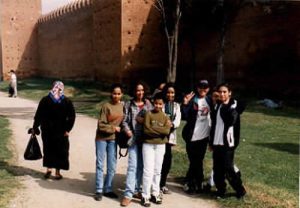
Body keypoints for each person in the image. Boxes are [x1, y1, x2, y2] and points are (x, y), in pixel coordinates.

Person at [30, 81, 75, 180]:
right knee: (48, 149)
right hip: (47, 130)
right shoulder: (45, 100)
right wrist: (35, 127)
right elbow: (38, 115)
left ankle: (57, 172)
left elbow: (71, 117)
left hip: (61, 131)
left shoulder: (66, 101)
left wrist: (68, 129)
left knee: (60, 151)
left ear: (62, 89)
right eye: (56, 87)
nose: (57, 90)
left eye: (59, 88)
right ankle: (48, 169)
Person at [209, 82, 246, 199]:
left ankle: (240, 190)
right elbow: (214, 125)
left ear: (230, 93)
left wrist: (229, 106)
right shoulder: (217, 106)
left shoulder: (233, 105)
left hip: (228, 143)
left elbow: (231, 120)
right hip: (217, 142)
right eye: (220, 92)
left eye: (225, 92)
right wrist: (211, 142)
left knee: (228, 168)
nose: (222, 94)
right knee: (217, 168)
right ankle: (221, 190)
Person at [120, 82, 153, 207]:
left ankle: (137, 190)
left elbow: (152, 120)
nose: (140, 93)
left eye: (142, 90)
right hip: (133, 139)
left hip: (146, 140)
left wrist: (144, 121)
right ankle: (128, 194)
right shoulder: (128, 104)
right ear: (134, 91)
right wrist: (128, 131)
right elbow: (124, 121)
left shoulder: (149, 104)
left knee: (141, 166)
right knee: (132, 166)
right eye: (138, 90)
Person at [181, 79, 213, 194]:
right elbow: (184, 116)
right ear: (197, 88)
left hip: (204, 136)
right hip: (191, 136)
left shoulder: (210, 100)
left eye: (205, 87)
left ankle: (193, 182)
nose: (202, 89)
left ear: (208, 89)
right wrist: (185, 103)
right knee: (194, 160)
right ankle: (195, 182)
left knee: (198, 160)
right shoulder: (192, 100)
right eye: (200, 87)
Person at [94, 83, 124, 201]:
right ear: (111, 94)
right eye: (114, 93)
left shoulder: (123, 106)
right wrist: (113, 128)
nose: (116, 96)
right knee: (100, 164)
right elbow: (101, 125)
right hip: (101, 139)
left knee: (112, 165)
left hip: (113, 140)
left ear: (122, 94)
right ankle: (99, 190)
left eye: (118, 93)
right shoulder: (106, 106)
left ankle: (108, 188)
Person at [141, 92, 171, 207]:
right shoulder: (148, 114)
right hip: (148, 144)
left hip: (160, 145)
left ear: (163, 104)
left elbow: (166, 132)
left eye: (160, 104)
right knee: (148, 170)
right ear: (153, 103)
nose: (158, 106)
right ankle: (145, 195)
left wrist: (154, 129)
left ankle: (155, 193)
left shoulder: (165, 116)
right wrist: (160, 129)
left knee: (157, 170)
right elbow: (146, 130)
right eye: (156, 103)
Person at [159, 83, 181, 194]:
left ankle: (162, 184)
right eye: (168, 92)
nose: (170, 94)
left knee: (167, 161)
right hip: (159, 136)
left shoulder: (176, 106)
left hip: (169, 136)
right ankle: (154, 184)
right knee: (158, 160)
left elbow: (178, 120)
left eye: (172, 92)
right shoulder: (160, 104)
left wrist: (171, 125)